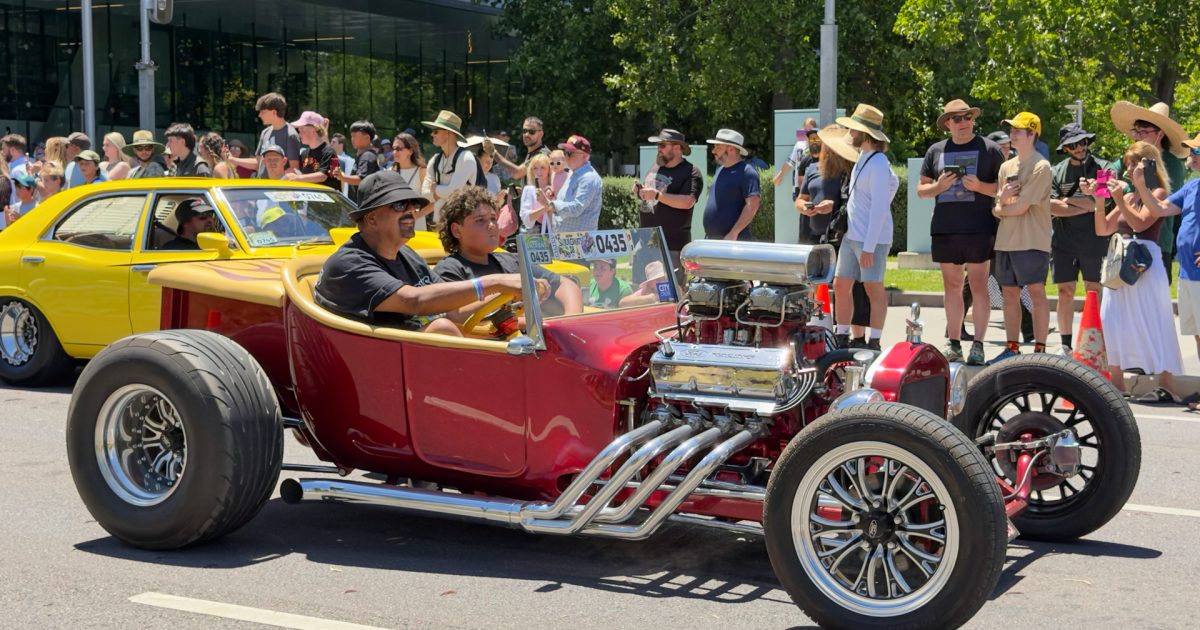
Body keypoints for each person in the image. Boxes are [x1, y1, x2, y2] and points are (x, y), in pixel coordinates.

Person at [314, 171, 536, 335]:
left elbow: (453, 310)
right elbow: (414, 301)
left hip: (412, 358)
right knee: (442, 329)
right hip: (378, 366)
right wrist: (495, 282)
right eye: (400, 205)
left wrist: (511, 294)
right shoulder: (349, 263)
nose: (411, 211)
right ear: (371, 218)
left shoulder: (406, 255)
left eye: (413, 205)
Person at [1087, 141, 1183, 401]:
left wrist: (1120, 198)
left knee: (1154, 319)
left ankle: (1166, 383)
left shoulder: (1159, 193)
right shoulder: (1129, 196)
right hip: (1120, 261)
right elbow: (1103, 229)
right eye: (1127, 164)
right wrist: (1099, 201)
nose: (1128, 169)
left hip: (1145, 262)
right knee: (1113, 319)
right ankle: (1116, 383)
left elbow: (1140, 224)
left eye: (1134, 164)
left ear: (1149, 165)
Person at [917, 99, 1005, 365]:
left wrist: (980, 186)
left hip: (979, 227)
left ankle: (978, 345)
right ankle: (954, 343)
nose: (964, 122)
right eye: (957, 119)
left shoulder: (990, 149)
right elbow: (921, 190)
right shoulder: (935, 151)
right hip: (945, 228)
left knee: (979, 285)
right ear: (948, 124)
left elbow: (1004, 189)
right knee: (952, 286)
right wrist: (938, 187)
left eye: (968, 117)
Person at [433, 186, 581, 320]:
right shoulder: (449, 270)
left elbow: (565, 284)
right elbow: (453, 315)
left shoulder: (512, 261)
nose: (492, 225)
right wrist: (508, 291)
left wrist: (569, 322)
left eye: (493, 219)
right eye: (480, 220)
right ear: (456, 230)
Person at [831, 104, 899, 350]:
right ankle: (842, 335)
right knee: (840, 284)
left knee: (873, 287)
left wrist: (869, 246)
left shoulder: (878, 162)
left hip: (872, 239)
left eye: (854, 129)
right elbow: (892, 186)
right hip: (852, 235)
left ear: (865, 133)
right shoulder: (864, 157)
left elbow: (880, 208)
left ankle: (875, 341)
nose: (850, 133)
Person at [990, 112, 1053, 363]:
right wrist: (1002, 203)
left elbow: (1019, 207)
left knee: (1036, 292)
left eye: (1017, 130)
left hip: (1032, 240)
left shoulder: (1041, 166)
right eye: (1012, 130)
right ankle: (1012, 348)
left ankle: (1040, 350)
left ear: (1032, 134)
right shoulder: (1006, 167)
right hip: (1006, 240)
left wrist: (1001, 206)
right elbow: (999, 204)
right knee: (1009, 293)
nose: (1012, 135)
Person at [1137, 132, 1200, 371]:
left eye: (1197, 151)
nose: (1192, 155)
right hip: (1187, 274)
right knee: (1197, 335)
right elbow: (1159, 209)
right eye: (1192, 150)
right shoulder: (1192, 186)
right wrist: (1141, 184)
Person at [1048, 122, 1111, 355]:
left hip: (1095, 240)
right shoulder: (1056, 171)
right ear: (1065, 148)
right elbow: (1051, 206)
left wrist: (1069, 200)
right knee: (1065, 291)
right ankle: (1065, 344)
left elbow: (1106, 201)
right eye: (1073, 144)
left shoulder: (1103, 167)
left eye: (1082, 142)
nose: (1079, 148)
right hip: (1063, 242)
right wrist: (1090, 204)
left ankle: (1095, 343)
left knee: (1094, 291)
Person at [1110, 101, 1190, 281]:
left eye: (1144, 132)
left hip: (1157, 240)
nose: (1138, 136)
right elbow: (1110, 173)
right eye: (1136, 131)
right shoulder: (1130, 156)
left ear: (1160, 134)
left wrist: (1126, 188)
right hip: (1127, 237)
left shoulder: (1172, 164)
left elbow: (1165, 198)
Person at [636, 129, 703, 269]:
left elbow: (688, 202)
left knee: (672, 284)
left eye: (662, 145)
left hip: (672, 247)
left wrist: (657, 195)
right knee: (642, 283)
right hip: (646, 243)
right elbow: (649, 194)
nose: (658, 149)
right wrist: (640, 191)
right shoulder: (655, 167)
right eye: (658, 145)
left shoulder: (691, 171)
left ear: (677, 147)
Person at [421, 109, 477, 230]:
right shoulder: (435, 160)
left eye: (436, 131)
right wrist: (443, 193)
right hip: (438, 225)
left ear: (448, 133)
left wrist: (435, 189)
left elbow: (453, 192)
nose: (432, 135)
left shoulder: (466, 158)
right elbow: (424, 193)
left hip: (462, 226)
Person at [703, 128, 761, 241]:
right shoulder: (720, 170)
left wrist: (734, 233)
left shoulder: (747, 172)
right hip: (713, 241)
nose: (713, 151)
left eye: (718, 147)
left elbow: (752, 206)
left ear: (731, 149)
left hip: (734, 242)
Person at [227, 92, 302, 177]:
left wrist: (277, 181)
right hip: (262, 184)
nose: (259, 115)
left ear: (274, 112)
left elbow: (294, 169)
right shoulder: (265, 132)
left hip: (278, 185)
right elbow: (258, 163)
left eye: (263, 112)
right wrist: (232, 159)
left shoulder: (291, 135)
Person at [541, 135, 602, 233]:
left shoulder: (588, 178)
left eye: (570, 153)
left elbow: (576, 208)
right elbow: (564, 202)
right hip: (567, 238)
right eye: (565, 152)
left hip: (581, 240)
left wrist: (551, 204)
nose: (565, 157)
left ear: (584, 156)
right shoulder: (574, 174)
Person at [285, 111, 339, 189]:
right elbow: (299, 173)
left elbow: (323, 176)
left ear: (314, 130)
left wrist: (297, 178)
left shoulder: (330, 152)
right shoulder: (304, 154)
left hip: (328, 196)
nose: (299, 134)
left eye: (302, 130)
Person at [332, 120, 382, 197]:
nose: (352, 139)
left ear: (367, 138)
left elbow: (361, 180)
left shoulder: (367, 156)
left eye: (355, 136)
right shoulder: (363, 155)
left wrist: (342, 177)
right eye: (351, 136)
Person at [773, 120, 819, 198]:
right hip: (800, 183)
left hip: (813, 182)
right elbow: (790, 162)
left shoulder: (817, 145)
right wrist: (779, 175)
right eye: (806, 130)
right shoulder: (799, 145)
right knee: (801, 204)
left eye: (810, 130)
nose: (807, 132)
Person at [519, 153, 554, 233]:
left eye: (542, 168)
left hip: (556, 231)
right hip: (536, 233)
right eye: (535, 168)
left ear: (549, 169)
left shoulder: (555, 187)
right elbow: (525, 218)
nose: (539, 171)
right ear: (531, 170)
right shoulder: (529, 190)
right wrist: (546, 208)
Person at [3, 133, 31, 208]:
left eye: (4, 149)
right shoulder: (27, 165)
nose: (2, 152)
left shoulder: (18, 171)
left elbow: (21, 198)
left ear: (13, 150)